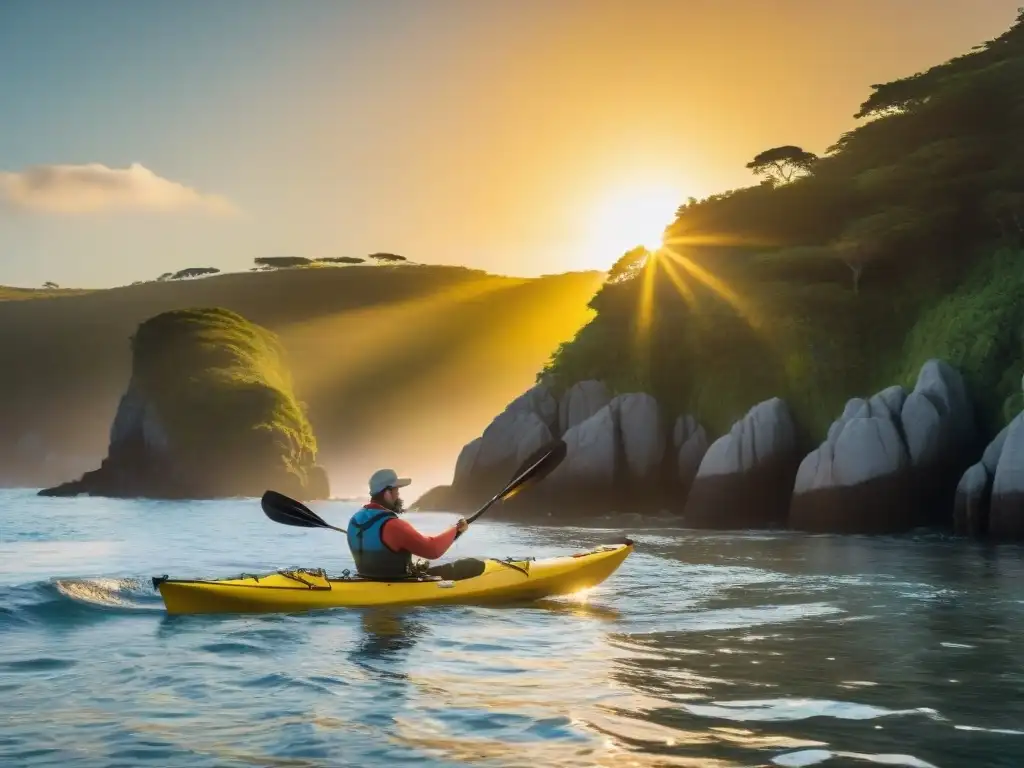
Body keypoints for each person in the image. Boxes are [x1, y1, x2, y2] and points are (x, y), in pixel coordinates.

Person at [346, 468, 472, 580]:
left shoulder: (354, 521)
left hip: (365, 579)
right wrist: (456, 530)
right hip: (395, 585)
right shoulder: (394, 526)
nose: (399, 495)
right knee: (468, 565)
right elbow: (433, 550)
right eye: (397, 490)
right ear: (387, 493)